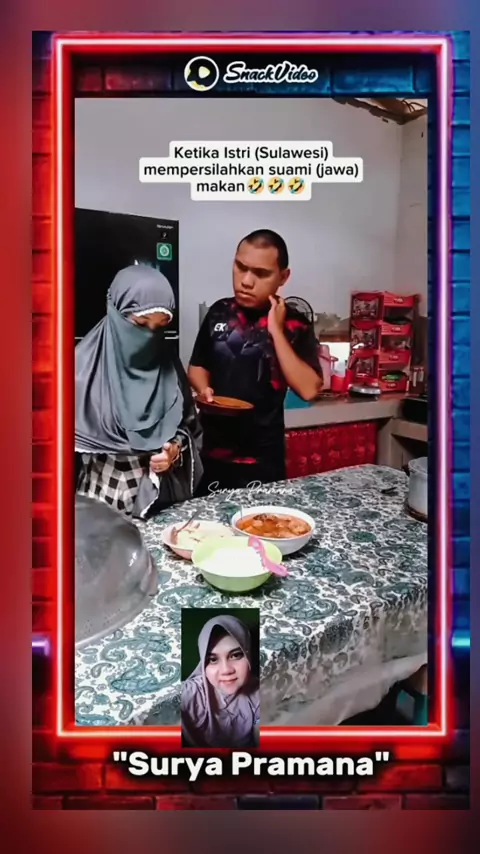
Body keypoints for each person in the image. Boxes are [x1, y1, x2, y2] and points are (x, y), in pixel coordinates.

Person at [188, 229, 323, 492]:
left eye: (261, 273)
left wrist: (276, 331)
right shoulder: (218, 312)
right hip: (210, 455)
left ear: (283, 277)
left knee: (262, 519)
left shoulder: (296, 324)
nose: (246, 281)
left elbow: (309, 389)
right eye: (241, 267)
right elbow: (197, 367)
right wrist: (203, 389)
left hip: (263, 460)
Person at [75, 264, 203, 519]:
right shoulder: (81, 370)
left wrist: (173, 451)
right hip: (99, 506)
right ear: (116, 314)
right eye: (140, 324)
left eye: (160, 328)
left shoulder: (168, 366)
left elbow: (187, 427)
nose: (149, 338)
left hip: (156, 504)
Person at [181, 614, 260, 749]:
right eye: (213, 659)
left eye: (235, 655)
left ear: (248, 655)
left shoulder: (259, 692)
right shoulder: (190, 693)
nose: (226, 670)